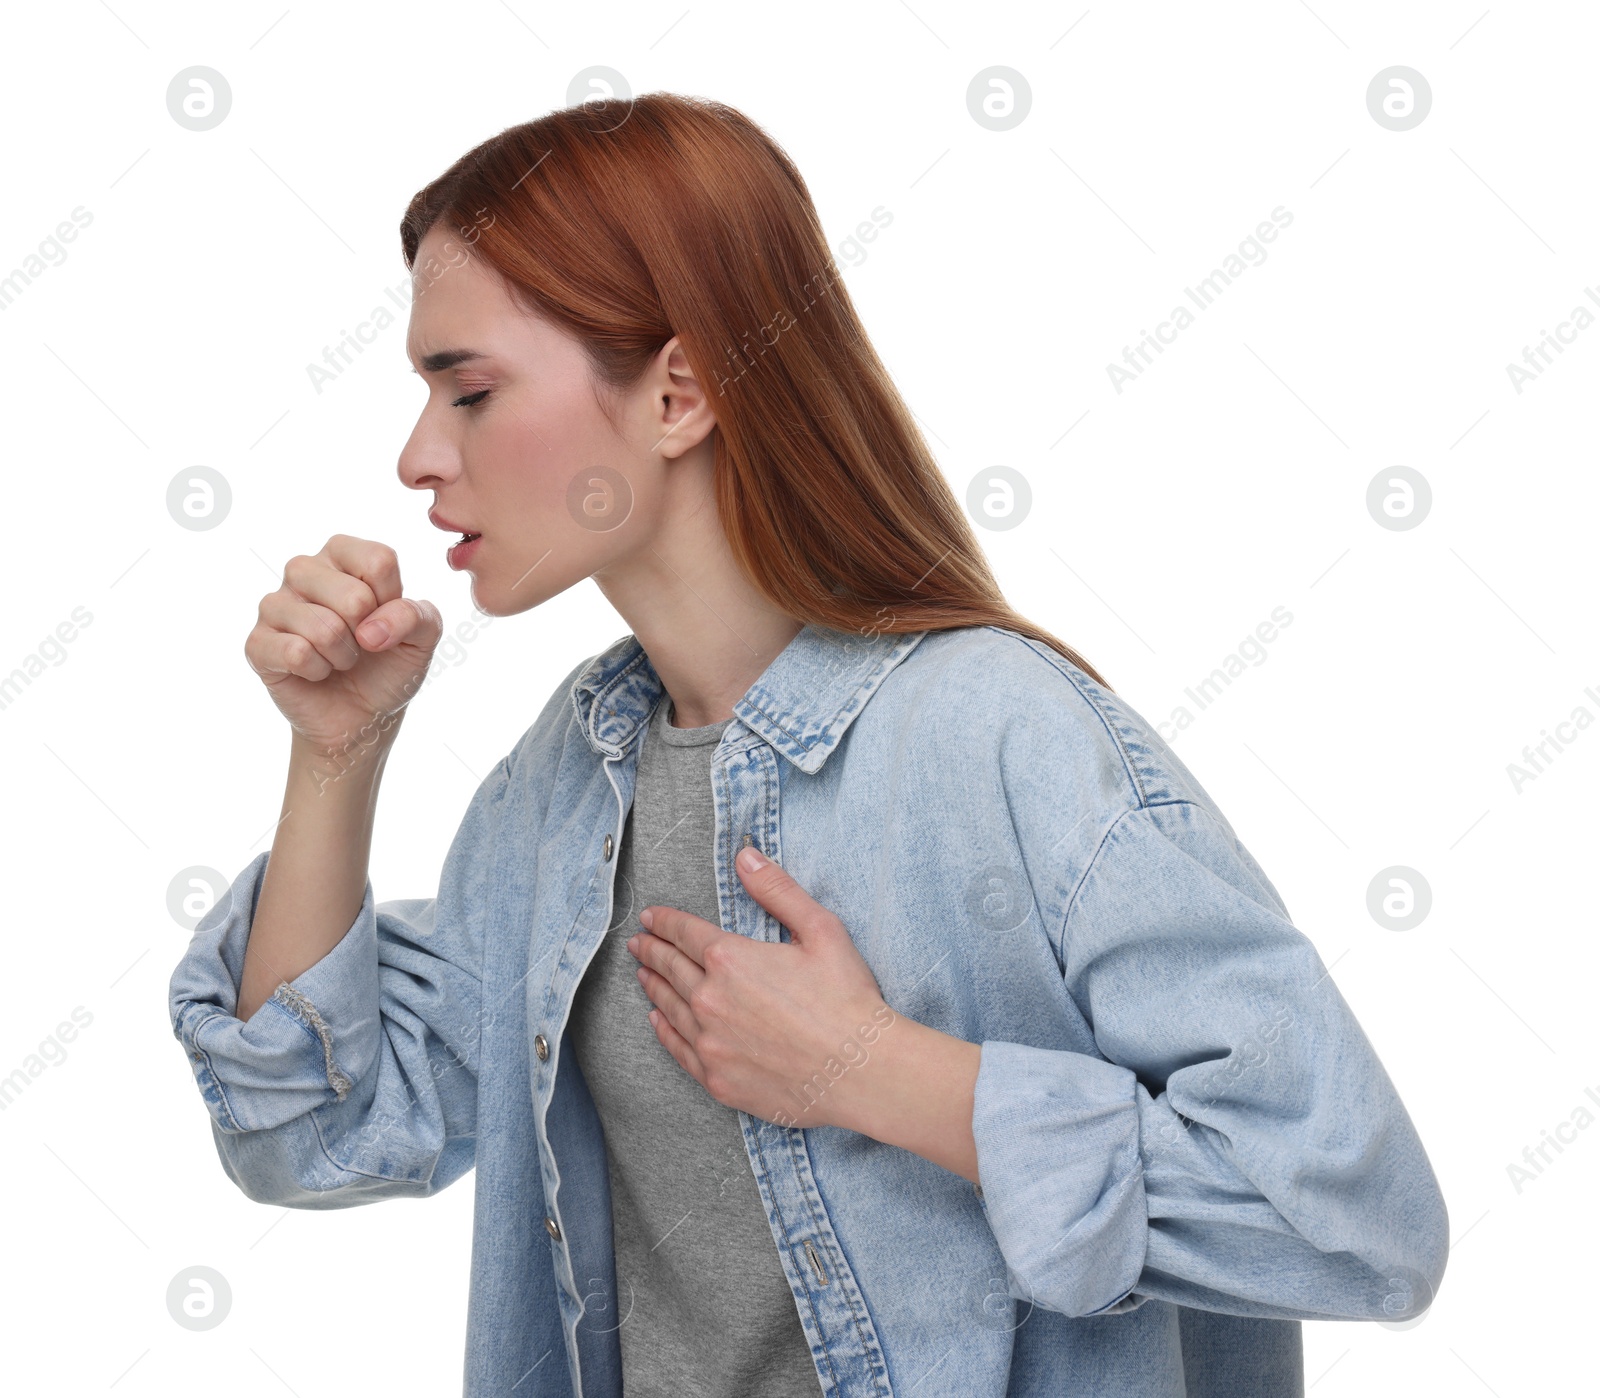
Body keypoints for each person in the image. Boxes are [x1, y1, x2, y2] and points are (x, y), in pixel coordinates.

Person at [168, 93, 1449, 1398]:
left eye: (470, 389)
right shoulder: (564, 784)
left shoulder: (1000, 737)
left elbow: (1356, 1225)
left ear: (677, 393)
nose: (418, 454)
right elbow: (310, 1131)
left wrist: (874, 1072)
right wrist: (337, 755)